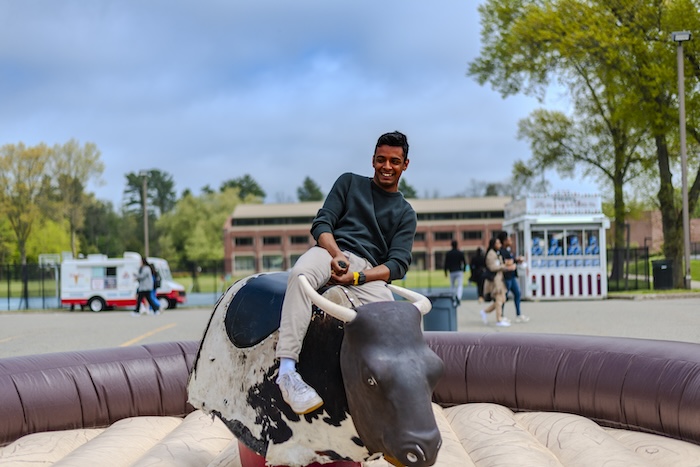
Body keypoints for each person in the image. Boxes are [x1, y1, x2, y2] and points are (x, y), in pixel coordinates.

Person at [275, 131, 416, 415]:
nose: (386, 166)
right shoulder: (349, 183)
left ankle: (399, 392)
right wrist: (336, 253)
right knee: (300, 275)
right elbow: (322, 223)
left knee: (397, 323)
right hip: (331, 252)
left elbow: (398, 264)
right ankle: (287, 372)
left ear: (405, 164)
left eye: (394, 161)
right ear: (373, 160)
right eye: (381, 159)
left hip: (368, 271)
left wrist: (358, 278)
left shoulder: (405, 213)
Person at [479, 237, 516, 327]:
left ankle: (485, 311)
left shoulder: (497, 253)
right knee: (499, 300)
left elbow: (499, 264)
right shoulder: (491, 254)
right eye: (498, 243)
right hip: (495, 281)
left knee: (502, 299)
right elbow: (493, 267)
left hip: (500, 279)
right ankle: (499, 319)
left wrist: (507, 264)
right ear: (494, 244)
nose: (499, 245)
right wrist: (507, 267)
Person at [497, 231, 529, 323]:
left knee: (517, 293)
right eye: (508, 239)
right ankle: (501, 315)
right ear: (504, 240)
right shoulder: (501, 251)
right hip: (506, 277)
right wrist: (514, 261)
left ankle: (518, 314)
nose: (510, 240)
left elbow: (510, 261)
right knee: (504, 297)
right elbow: (506, 262)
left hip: (511, 276)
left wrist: (515, 260)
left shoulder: (508, 250)